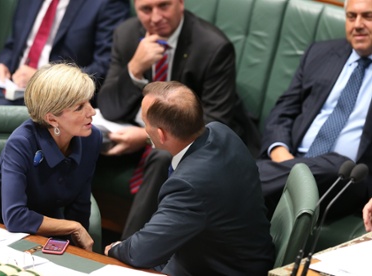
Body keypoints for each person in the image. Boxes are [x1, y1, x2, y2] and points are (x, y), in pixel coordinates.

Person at [97, 0, 259, 239]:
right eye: (146, 9)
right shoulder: (127, 34)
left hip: (197, 140)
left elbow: (216, 118)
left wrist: (145, 137)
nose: (155, 17)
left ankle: (129, 253)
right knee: (84, 136)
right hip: (141, 129)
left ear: (180, 3)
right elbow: (109, 109)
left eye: (164, 5)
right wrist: (134, 70)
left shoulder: (213, 46)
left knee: (163, 156)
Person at [104, 81, 275, 275]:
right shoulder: (221, 131)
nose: (145, 129)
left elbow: (141, 253)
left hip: (220, 269)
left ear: (161, 135)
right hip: (236, 254)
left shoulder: (189, 184)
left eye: (145, 123)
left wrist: (116, 248)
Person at [257, 0, 372, 219]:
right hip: (289, 162)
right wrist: (282, 155)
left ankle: (233, 179)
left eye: (368, 16)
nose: (357, 24)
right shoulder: (320, 53)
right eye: (351, 17)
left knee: (336, 164)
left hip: (346, 180)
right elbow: (282, 112)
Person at [0, 63, 102, 251]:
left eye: (89, 102)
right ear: (52, 119)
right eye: (79, 107)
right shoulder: (22, 142)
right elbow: (15, 217)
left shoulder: (91, 138)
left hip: (47, 234)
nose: (92, 112)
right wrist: (73, 227)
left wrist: (80, 252)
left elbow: (80, 203)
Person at [0, 0, 129, 106]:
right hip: (10, 84)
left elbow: (103, 68)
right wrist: (2, 65)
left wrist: (45, 77)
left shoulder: (107, 3)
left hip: (53, 97)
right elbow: (13, 45)